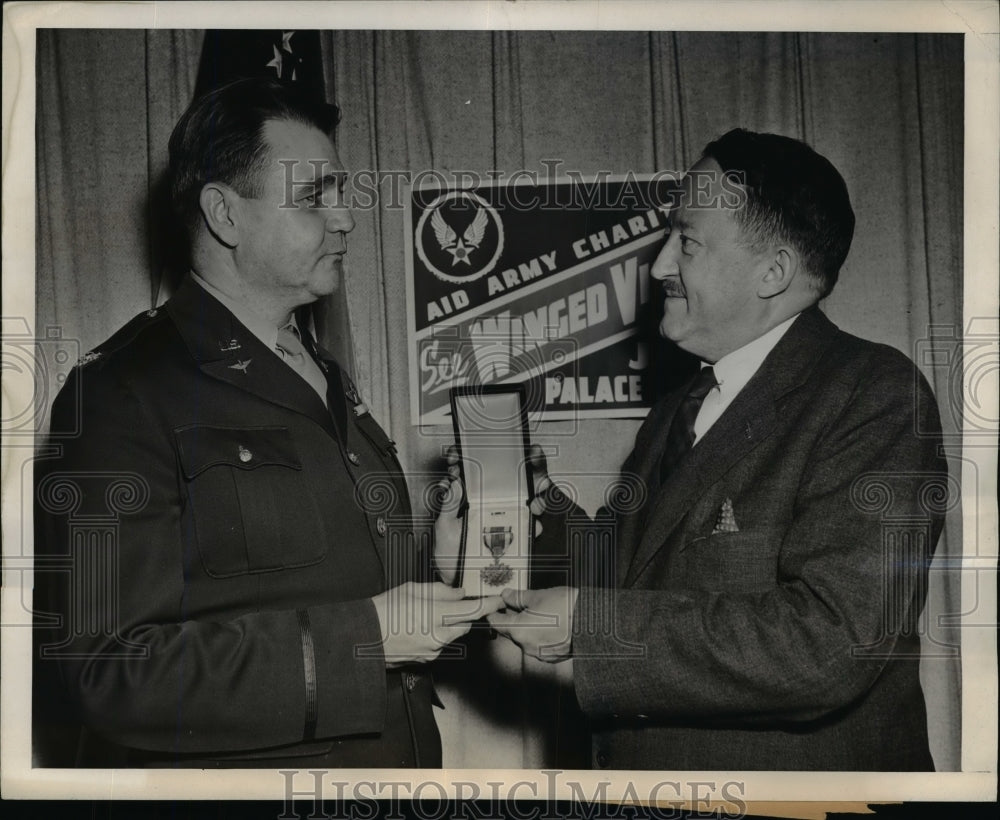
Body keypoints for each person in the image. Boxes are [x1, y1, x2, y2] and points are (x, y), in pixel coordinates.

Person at [34, 77, 500, 768]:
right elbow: (110, 673)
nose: (345, 218)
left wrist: (443, 562)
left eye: (340, 193)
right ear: (223, 214)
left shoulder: (320, 372)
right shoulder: (121, 391)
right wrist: (366, 638)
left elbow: (330, 582)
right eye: (315, 196)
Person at [482, 129, 949, 770]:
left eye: (688, 241)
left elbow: (833, 642)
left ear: (774, 271)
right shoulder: (680, 406)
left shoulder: (873, 394)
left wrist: (593, 628)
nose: (659, 266)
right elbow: (633, 576)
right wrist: (539, 516)